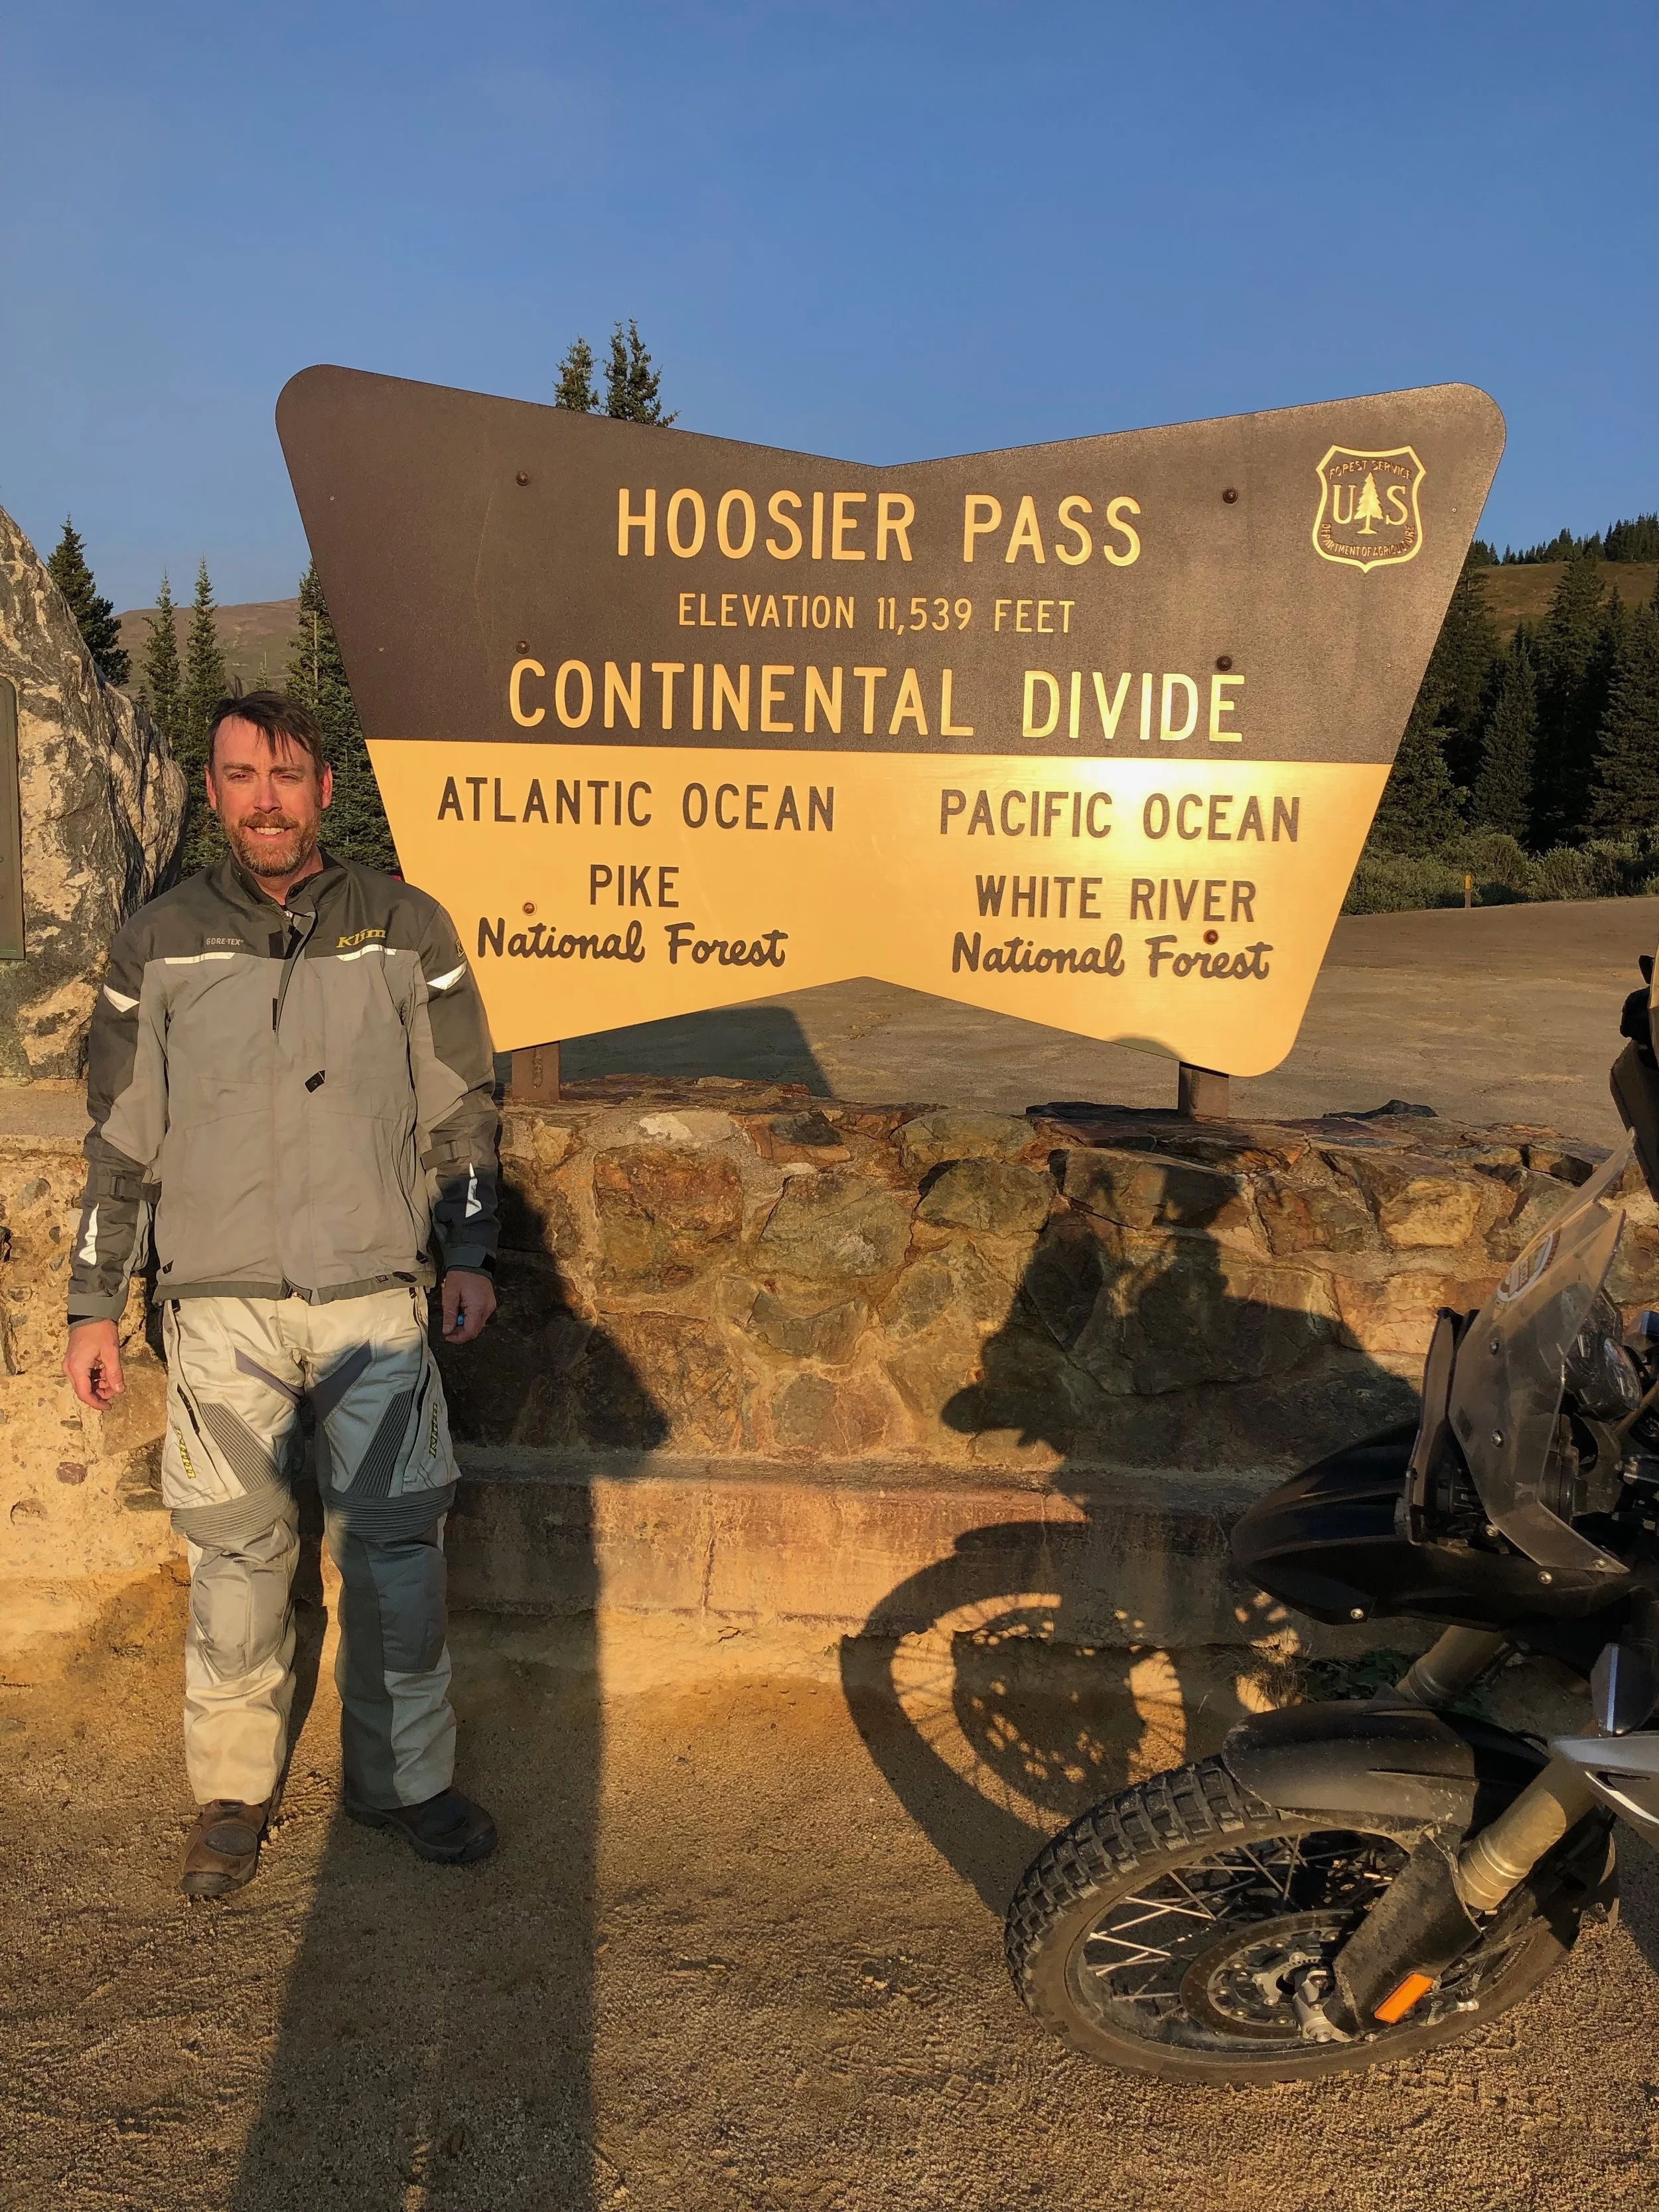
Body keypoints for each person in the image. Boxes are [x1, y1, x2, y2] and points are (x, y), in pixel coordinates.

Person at [63, 690, 501, 1897]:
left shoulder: (407, 928)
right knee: (237, 1560)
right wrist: (93, 1303)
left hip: (376, 1300)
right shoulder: (157, 942)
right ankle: (232, 1792)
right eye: (242, 775)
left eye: (288, 774)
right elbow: (120, 1139)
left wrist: (469, 1258)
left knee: (398, 1553)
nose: (266, 795)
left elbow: (459, 1110)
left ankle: (405, 1782)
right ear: (213, 793)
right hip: (220, 1309)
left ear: (324, 788)